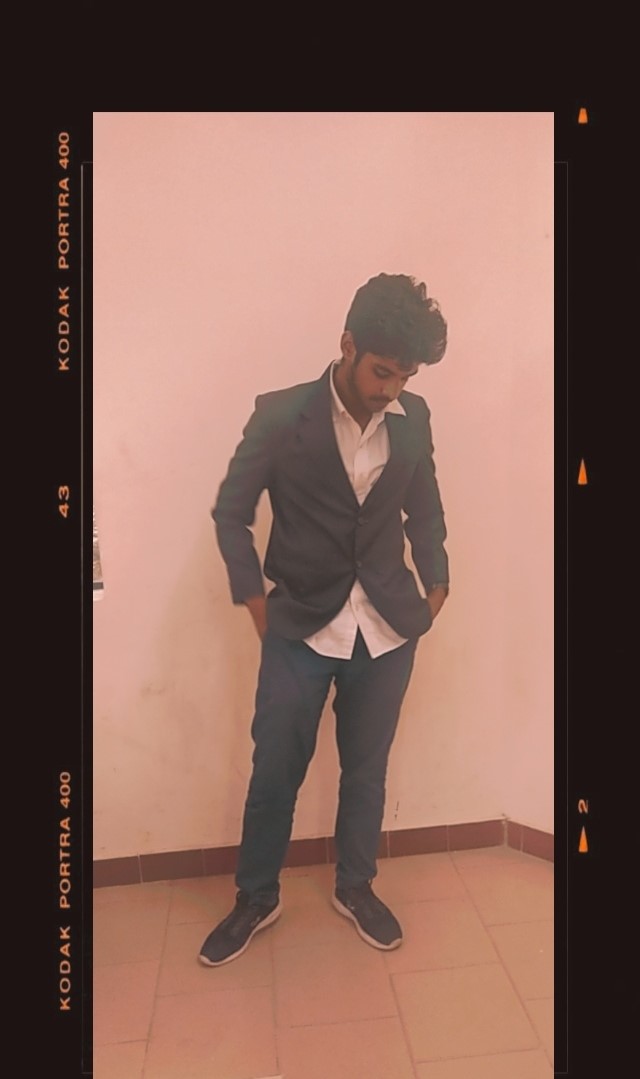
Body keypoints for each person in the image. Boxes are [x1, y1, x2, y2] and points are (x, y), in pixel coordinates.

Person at [199, 272, 449, 966]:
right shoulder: (282, 415)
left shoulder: (414, 417)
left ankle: (356, 885)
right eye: (381, 372)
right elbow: (231, 512)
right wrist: (256, 602)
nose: (391, 389)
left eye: (405, 376)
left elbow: (426, 506)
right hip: (301, 626)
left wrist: (438, 585)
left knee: (366, 769)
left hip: (387, 629)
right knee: (275, 768)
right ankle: (256, 896)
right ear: (347, 345)